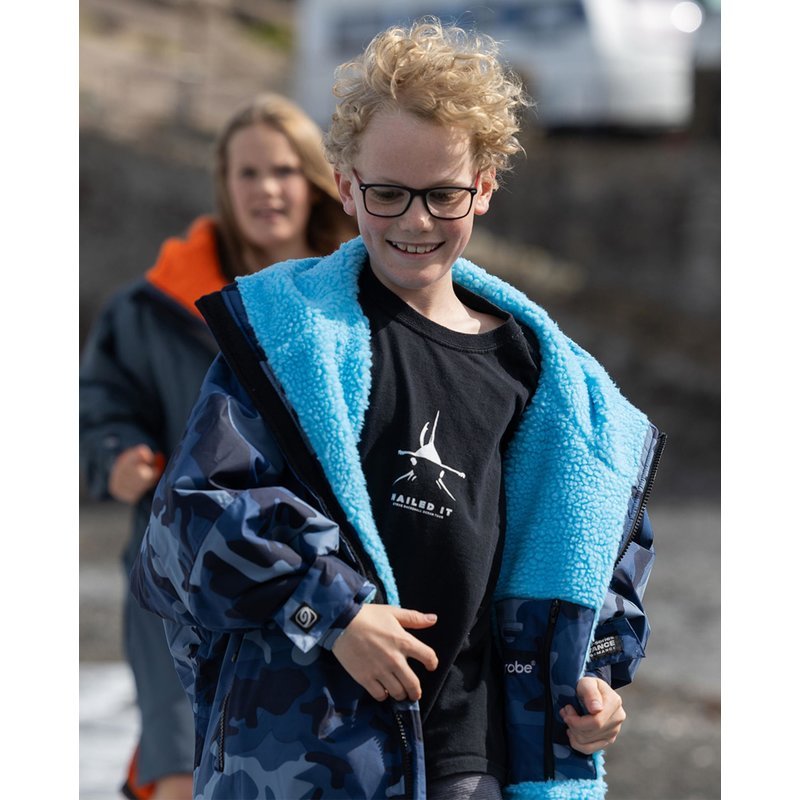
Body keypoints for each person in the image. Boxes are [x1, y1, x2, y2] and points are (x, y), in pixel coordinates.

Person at [130, 18, 665, 800]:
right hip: (304, 761)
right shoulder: (287, 344)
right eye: (387, 194)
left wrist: (596, 680)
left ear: (484, 187)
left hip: (472, 763)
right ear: (346, 186)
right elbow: (189, 520)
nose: (416, 221)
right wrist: (332, 612)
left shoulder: (548, 383)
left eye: (444, 195)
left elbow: (593, 555)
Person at [79, 92, 357, 800]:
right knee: (182, 767)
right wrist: (115, 452)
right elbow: (96, 404)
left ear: (315, 181)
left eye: (284, 170)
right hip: (180, 570)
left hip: (322, 571)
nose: (268, 189)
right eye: (248, 173)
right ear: (223, 185)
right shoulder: (150, 307)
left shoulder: (360, 300)